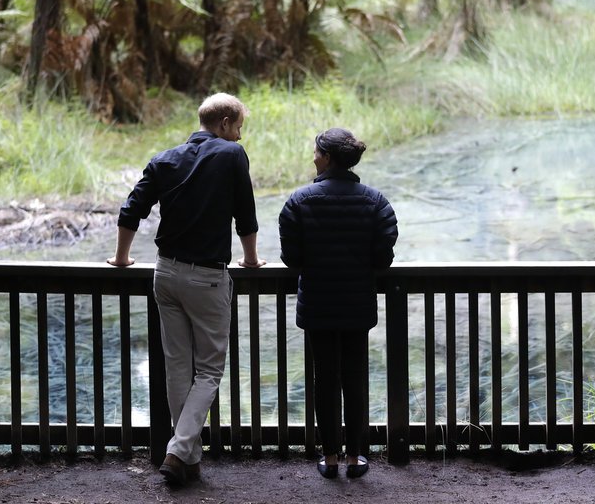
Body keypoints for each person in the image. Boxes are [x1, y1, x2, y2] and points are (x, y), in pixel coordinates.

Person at [107, 92, 266, 484]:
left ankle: (188, 459)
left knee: (178, 366)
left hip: (165, 274)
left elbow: (131, 209)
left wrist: (123, 258)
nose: (239, 138)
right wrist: (249, 259)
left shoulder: (164, 159)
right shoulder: (231, 156)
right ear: (225, 122)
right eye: (239, 129)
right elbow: (244, 213)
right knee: (209, 371)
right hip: (206, 277)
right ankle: (178, 450)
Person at [278, 127, 398, 479]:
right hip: (358, 303)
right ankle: (355, 458)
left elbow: (292, 259)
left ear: (327, 158)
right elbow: (382, 260)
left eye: (316, 152)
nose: (313, 157)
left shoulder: (298, 201)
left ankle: (330, 458)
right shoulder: (376, 202)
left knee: (324, 379)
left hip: (317, 303)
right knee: (355, 378)